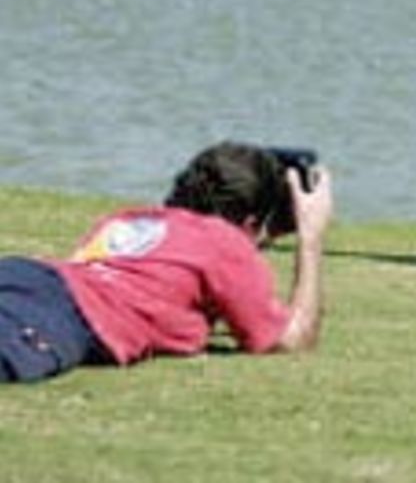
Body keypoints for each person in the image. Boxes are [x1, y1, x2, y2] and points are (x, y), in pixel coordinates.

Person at [0, 142, 333, 383]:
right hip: (59, 315)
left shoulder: (129, 219)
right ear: (249, 222)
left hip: (29, 275)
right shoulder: (225, 241)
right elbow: (292, 339)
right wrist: (311, 236)